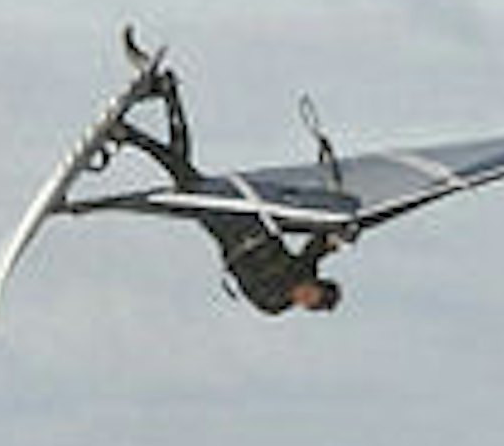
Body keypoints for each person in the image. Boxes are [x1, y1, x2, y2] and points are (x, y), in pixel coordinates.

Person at [110, 60, 342, 316]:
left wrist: (319, 249)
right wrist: (335, 234)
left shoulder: (273, 303)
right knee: (187, 180)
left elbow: (263, 281)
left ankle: (159, 104)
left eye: (308, 298)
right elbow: (315, 248)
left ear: (305, 306)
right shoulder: (305, 271)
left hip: (231, 236)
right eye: (311, 288)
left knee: (186, 179)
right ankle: (137, 126)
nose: (304, 292)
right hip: (252, 219)